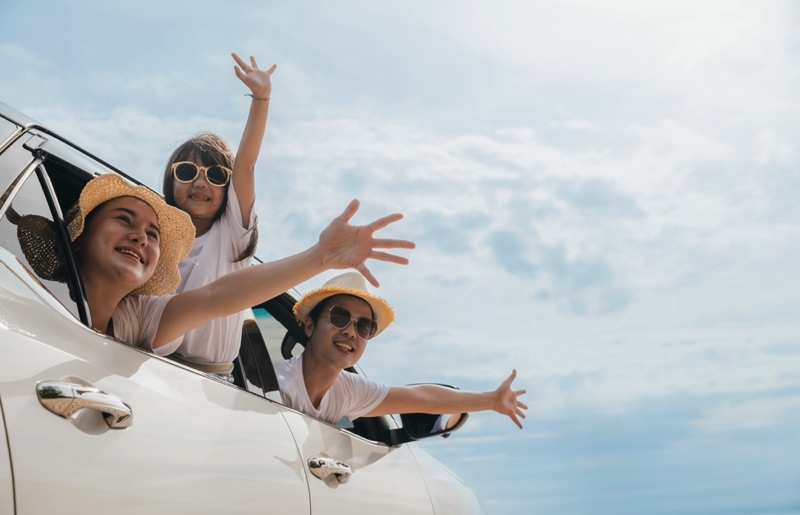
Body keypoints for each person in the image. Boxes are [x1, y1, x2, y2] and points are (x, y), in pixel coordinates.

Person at [28, 173, 413, 358]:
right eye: (124, 220)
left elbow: (217, 297)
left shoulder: (140, 318)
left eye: (153, 233)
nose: (141, 237)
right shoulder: (24, 295)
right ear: (78, 236)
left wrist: (320, 258)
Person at [275, 272, 528, 429]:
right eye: (340, 317)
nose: (351, 332)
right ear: (309, 325)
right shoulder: (276, 384)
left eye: (364, 326)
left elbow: (424, 398)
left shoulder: (348, 390)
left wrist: (492, 400)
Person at [160, 53, 277, 380]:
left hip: (210, 381)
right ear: (171, 182)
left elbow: (245, 165)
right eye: (187, 171)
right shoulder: (153, 238)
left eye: (215, 174)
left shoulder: (231, 235)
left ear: (229, 189)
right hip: (148, 366)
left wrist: (261, 99)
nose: (200, 181)